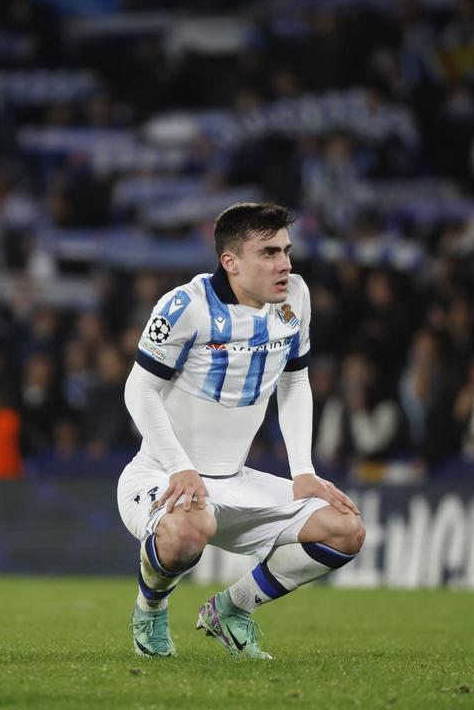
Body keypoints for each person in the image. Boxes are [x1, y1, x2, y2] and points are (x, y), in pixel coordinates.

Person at [117, 202, 365, 660]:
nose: (284, 264)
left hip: (234, 479)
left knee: (346, 530)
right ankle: (150, 609)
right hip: (159, 475)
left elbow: (295, 381)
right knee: (191, 527)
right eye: (268, 253)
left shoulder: (296, 298)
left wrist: (303, 471)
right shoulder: (184, 307)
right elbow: (139, 389)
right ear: (230, 261)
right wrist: (179, 467)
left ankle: (231, 609)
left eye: (287, 251)